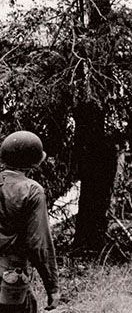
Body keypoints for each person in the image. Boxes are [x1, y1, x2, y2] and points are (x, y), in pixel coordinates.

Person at [0, 131, 59, 312]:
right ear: (32, 161)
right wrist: (52, 287)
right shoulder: (32, 191)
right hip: (9, 279)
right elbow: (38, 244)